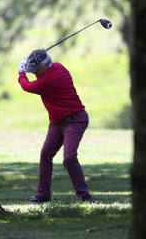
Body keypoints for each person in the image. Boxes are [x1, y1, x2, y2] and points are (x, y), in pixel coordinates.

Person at [18, 48, 95, 203]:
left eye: (35, 70)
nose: (33, 73)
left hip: (75, 120)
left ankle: (85, 196)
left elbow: (27, 86)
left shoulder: (48, 80)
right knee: (45, 154)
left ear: (45, 65)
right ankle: (43, 195)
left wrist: (21, 72)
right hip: (57, 123)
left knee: (69, 157)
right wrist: (30, 62)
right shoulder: (58, 66)